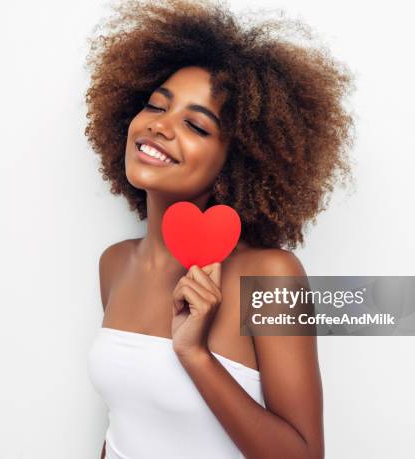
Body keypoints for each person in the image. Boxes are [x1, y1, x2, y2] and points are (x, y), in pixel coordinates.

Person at [85, 0, 354, 457]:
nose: (159, 127)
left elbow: (304, 454)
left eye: (195, 125)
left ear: (239, 160)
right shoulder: (115, 264)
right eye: (155, 105)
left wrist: (195, 355)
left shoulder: (269, 276)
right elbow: (124, 429)